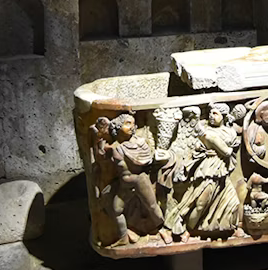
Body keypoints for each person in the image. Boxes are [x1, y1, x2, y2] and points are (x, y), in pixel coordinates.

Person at [164, 103, 242, 238]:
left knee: (232, 201)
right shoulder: (204, 129)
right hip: (208, 170)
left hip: (222, 172)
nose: (211, 116)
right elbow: (218, 150)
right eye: (210, 113)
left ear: (223, 116)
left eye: (215, 113)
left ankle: (229, 228)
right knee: (200, 203)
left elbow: (229, 151)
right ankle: (189, 230)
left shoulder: (229, 132)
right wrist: (208, 146)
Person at [101, 113, 169, 245]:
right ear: (118, 127)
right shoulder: (116, 147)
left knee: (152, 206)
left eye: (133, 123)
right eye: (127, 123)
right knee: (116, 210)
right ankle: (123, 237)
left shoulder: (140, 144)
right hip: (125, 184)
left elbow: (145, 160)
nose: (132, 127)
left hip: (139, 180)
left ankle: (162, 228)